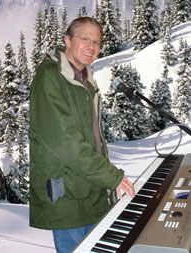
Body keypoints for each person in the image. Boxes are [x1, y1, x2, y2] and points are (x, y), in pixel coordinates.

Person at [29, 17, 135, 252]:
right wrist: (111, 177)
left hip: (91, 189)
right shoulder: (51, 79)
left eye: (96, 42)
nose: (92, 47)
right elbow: (64, 141)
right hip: (68, 196)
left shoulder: (84, 79)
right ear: (67, 40)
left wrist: (105, 181)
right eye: (85, 39)